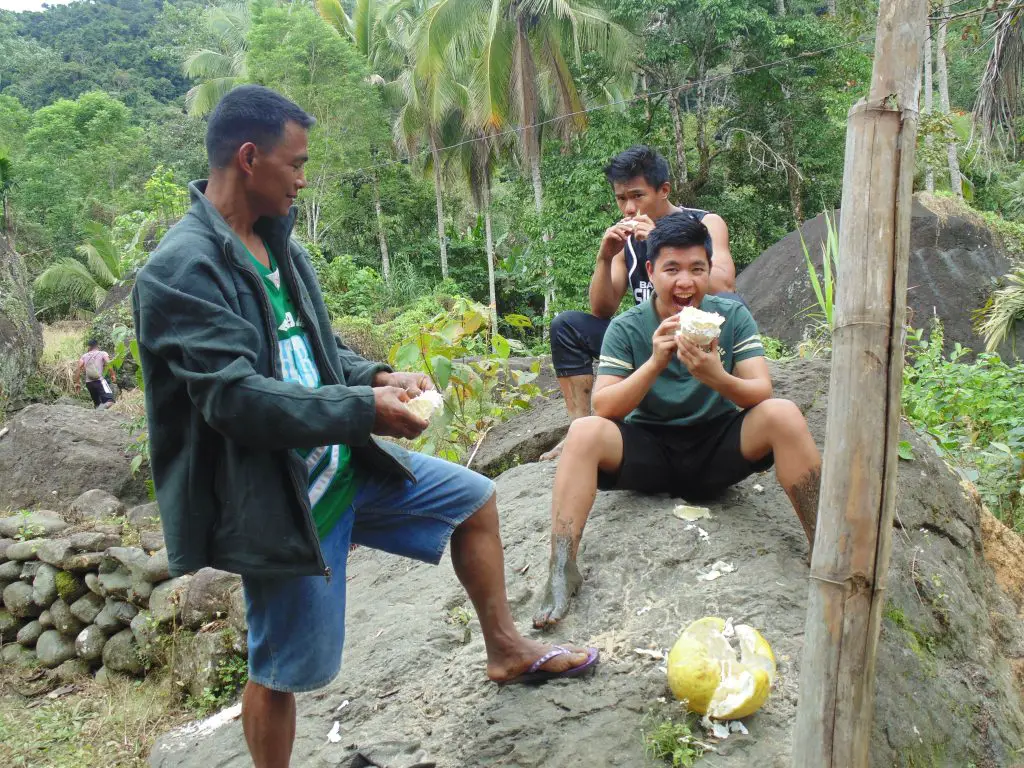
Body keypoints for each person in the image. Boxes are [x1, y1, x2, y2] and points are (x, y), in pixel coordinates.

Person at [131, 85, 598, 768]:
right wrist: (365, 411)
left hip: (338, 464)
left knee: (473, 499)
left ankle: (504, 649)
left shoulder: (277, 243)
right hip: (278, 498)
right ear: (250, 157)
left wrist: (377, 379)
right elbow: (236, 402)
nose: (302, 179)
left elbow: (317, 353)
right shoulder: (180, 271)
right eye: (296, 164)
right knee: (281, 669)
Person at [532, 212, 820, 630]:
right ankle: (562, 567)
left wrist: (715, 376)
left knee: (783, 414)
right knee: (584, 431)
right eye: (672, 269)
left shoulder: (731, 317)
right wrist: (653, 362)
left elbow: (761, 391)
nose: (685, 282)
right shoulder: (627, 326)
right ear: (650, 271)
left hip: (717, 450)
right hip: (649, 452)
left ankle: (822, 543)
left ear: (709, 270)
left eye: (697, 269)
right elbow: (604, 405)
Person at [542, 145, 740, 461]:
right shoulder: (627, 241)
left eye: (638, 196)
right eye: (622, 199)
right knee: (567, 326)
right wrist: (604, 258)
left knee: (730, 303)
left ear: (663, 190)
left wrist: (661, 242)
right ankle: (580, 429)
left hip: (699, 338)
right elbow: (602, 310)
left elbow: (724, 286)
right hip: (649, 343)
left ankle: (715, 414)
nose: (629, 208)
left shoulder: (706, 223)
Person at [78, 339, 116, 410]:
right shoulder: (102, 353)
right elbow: (109, 363)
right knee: (110, 401)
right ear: (97, 346)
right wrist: (113, 375)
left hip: (89, 383)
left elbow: (78, 369)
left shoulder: (84, 356)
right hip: (100, 381)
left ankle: (98, 412)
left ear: (89, 347)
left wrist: (77, 383)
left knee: (97, 404)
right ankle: (100, 410)